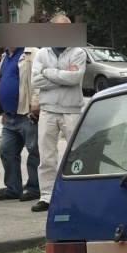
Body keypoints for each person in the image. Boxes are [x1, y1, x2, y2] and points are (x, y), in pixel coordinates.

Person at [30, 15, 86, 212]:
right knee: (46, 156)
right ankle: (47, 196)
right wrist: (64, 75)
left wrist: (47, 72)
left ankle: (75, 196)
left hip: (71, 110)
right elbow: (36, 81)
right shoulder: (42, 53)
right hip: (47, 110)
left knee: (75, 156)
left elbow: (76, 78)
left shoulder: (78, 52)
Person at [0, 47, 41, 202]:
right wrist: (3, 111)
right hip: (10, 116)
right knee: (6, 150)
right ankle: (13, 189)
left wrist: (36, 102)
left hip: (27, 113)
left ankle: (35, 188)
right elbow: (1, 83)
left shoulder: (32, 53)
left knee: (34, 151)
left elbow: (38, 80)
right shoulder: (5, 56)